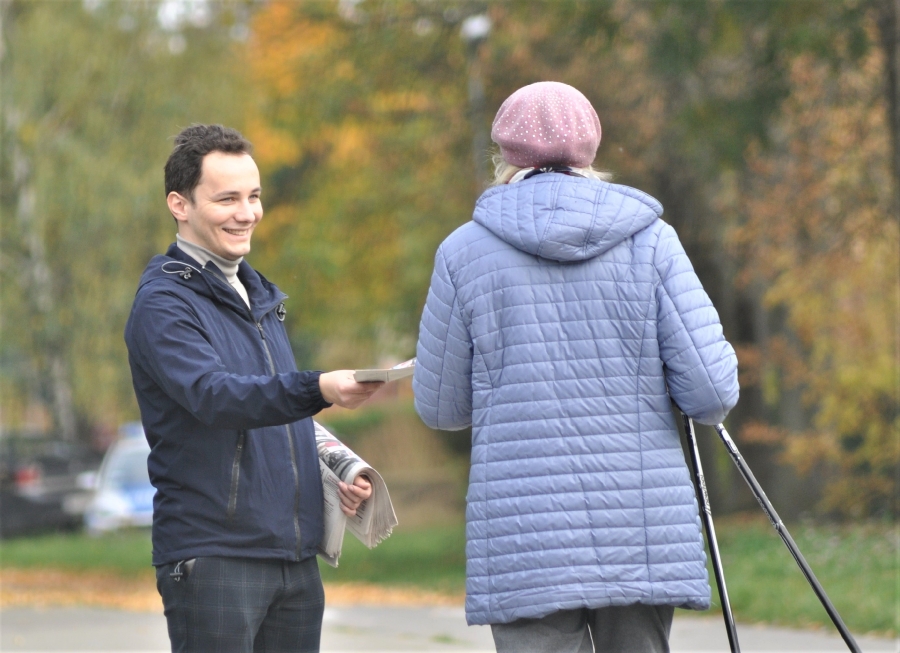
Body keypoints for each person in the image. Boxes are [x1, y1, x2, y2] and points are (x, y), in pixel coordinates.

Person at [413, 82, 739, 653]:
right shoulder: (653, 242)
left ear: (505, 152)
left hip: (525, 533)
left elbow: (441, 408)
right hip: (638, 526)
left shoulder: (462, 253)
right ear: (591, 147)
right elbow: (712, 393)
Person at [124, 124, 382, 653]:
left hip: (293, 559)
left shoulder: (258, 294)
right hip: (215, 556)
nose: (247, 213)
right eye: (227, 199)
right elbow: (217, 397)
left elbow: (273, 410)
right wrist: (320, 386)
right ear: (179, 204)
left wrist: (338, 473)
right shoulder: (163, 303)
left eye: (254, 196)